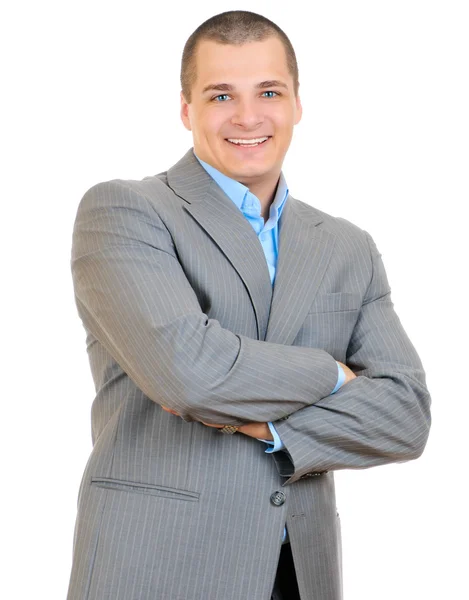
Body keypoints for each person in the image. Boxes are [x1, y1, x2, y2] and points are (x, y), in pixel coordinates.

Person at [67, 10, 431, 600]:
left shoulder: (347, 246)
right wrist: (334, 375)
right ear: (186, 109)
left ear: (296, 104)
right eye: (220, 95)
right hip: (158, 564)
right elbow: (187, 373)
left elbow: (407, 414)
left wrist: (268, 424)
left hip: (300, 571)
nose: (248, 116)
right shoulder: (125, 213)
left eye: (268, 91)